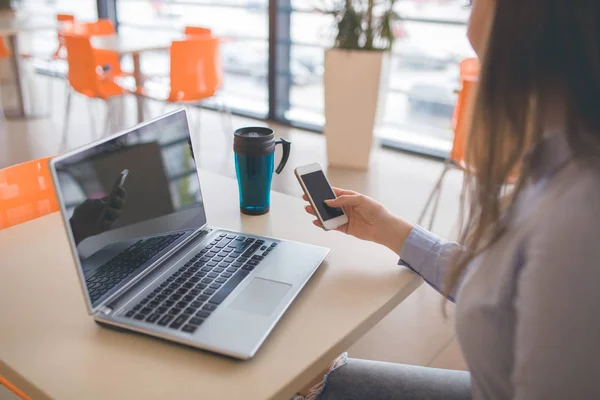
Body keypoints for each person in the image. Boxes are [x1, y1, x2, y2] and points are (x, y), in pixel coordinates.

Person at [295, 0, 600, 399]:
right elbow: (511, 289)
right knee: (313, 382)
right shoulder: (559, 165)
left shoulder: (578, 219)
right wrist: (388, 229)